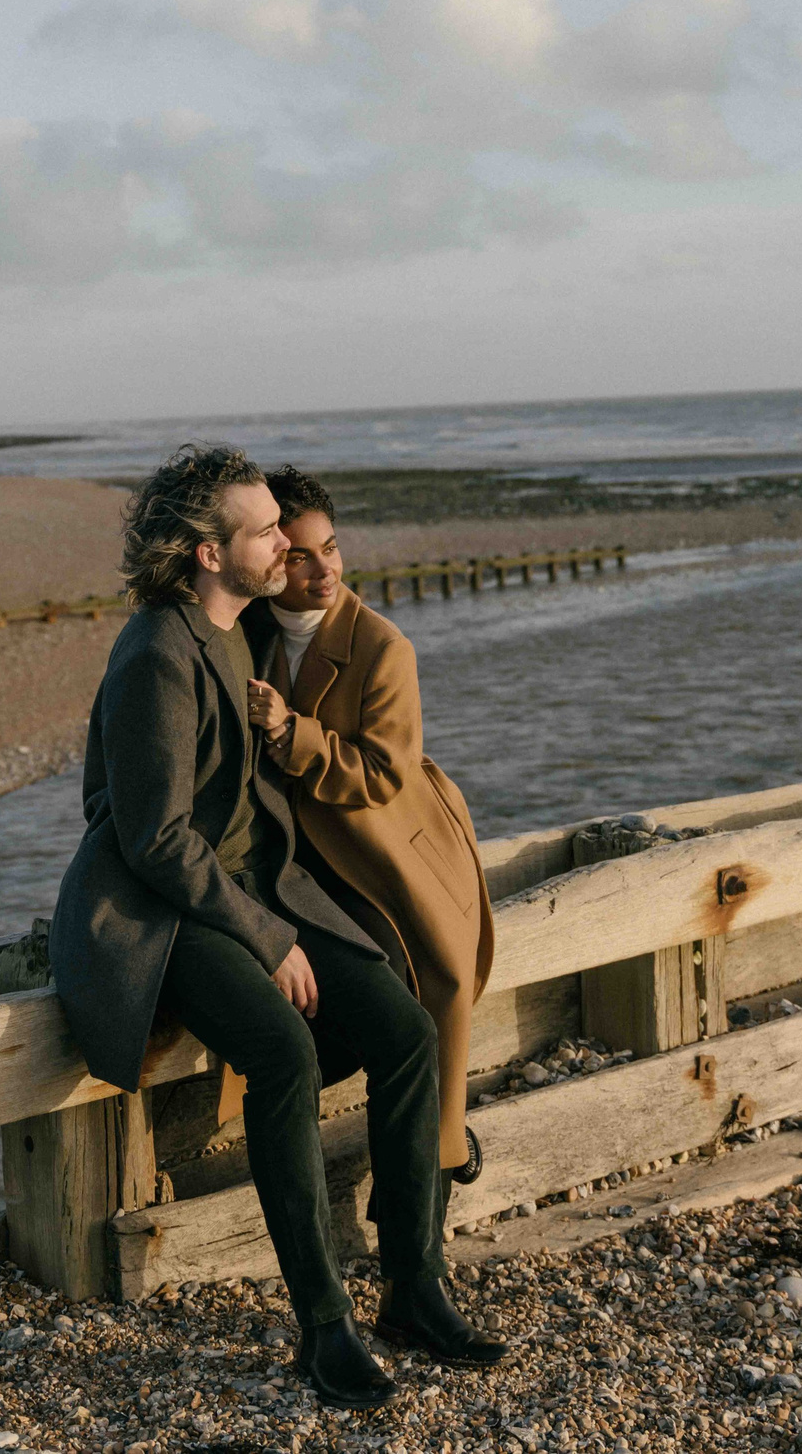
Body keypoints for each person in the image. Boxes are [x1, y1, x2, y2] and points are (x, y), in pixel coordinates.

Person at [48, 444, 504, 1411]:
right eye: (266, 533)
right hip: (167, 914)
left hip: (263, 885)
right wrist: (270, 937)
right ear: (212, 553)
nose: (287, 548)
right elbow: (154, 838)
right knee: (285, 1055)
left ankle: (414, 1285)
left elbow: (330, 659)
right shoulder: (158, 655)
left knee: (409, 1032)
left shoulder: (244, 629)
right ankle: (323, 1325)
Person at [242, 466, 496, 1189]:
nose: (325, 570)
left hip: (387, 843)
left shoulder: (384, 647)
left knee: (420, 981)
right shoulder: (249, 633)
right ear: (267, 560)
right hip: (304, 857)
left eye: (332, 548)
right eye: (299, 555)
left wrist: (294, 732)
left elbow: (383, 772)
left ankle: (433, 1157)